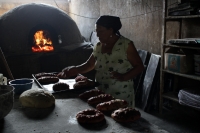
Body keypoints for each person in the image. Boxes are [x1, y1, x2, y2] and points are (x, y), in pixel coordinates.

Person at [58, 15, 144, 108]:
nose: (97, 35)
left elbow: (139, 66)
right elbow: (89, 65)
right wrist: (75, 69)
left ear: (110, 30)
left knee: (121, 117)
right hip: (101, 92)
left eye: (101, 31)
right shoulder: (98, 46)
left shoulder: (126, 45)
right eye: (96, 31)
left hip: (121, 92)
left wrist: (124, 77)